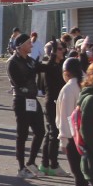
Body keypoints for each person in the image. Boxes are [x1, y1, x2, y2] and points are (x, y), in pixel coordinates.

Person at [8, 32, 47, 178]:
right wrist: (33, 71)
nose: (31, 45)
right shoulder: (13, 62)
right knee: (22, 134)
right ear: (20, 46)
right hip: (21, 100)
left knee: (40, 131)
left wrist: (55, 60)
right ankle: (21, 168)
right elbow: (19, 81)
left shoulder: (30, 60)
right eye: (29, 43)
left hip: (32, 99)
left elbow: (42, 68)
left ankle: (31, 162)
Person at [56, 57, 88, 186]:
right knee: (84, 171)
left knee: (77, 172)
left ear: (66, 73)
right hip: (86, 134)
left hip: (73, 136)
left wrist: (63, 139)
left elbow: (66, 116)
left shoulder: (69, 89)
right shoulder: (85, 84)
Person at [38, 39, 66, 175]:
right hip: (51, 103)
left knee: (51, 133)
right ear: (53, 52)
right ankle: (52, 165)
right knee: (53, 133)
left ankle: (46, 164)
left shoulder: (59, 65)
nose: (63, 51)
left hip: (57, 102)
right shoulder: (49, 66)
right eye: (60, 49)